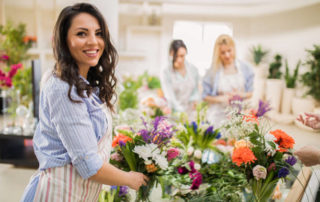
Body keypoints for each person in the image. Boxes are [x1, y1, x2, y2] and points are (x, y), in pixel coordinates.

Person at [21, 3, 148, 201]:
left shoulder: (85, 84)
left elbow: (86, 141)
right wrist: (129, 179)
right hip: (56, 194)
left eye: (98, 33)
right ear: (64, 41)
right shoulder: (62, 87)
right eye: (81, 34)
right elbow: (89, 166)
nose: (93, 41)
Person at [202, 34, 254, 126]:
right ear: (218, 53)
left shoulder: (245, 68)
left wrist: (239, 95)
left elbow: (250, 93)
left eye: (229, 51)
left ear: (233, 48)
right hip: (218, 116)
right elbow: (204, 96)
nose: (227, 55)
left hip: (239, 114)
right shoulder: (212, 71)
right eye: (223, 52)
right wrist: (221, 98)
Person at [160, 39, 200, 115]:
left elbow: (195, 91)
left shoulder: (193, 70)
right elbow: (169, 95)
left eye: (182, 56)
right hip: (174, 113)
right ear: (171, 54)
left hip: (191, 112)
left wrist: (195, 100)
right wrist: (180, 111)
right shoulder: (166, 71)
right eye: (176, 56)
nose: (179, 59)